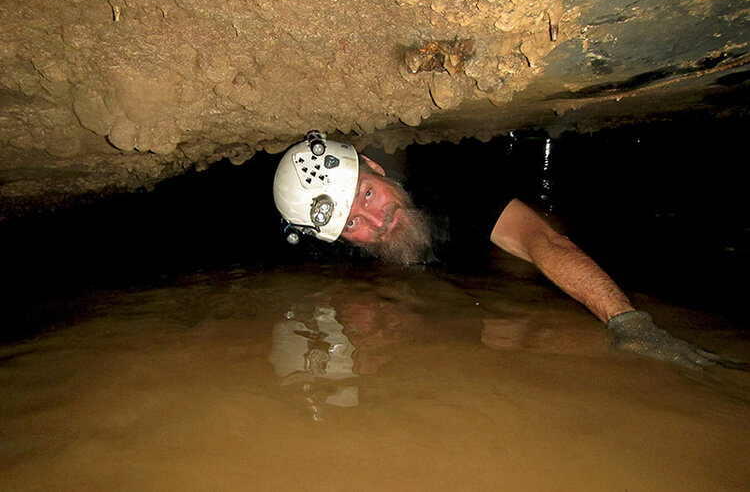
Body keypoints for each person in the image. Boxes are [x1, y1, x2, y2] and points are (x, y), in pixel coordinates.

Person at [273, 132, 734, 370]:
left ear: (374, 167)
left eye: (369, 195)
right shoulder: (327, 252)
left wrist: (627, 322)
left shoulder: (453, 196)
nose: (376, 222)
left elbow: (543, 242)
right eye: (351, 223)